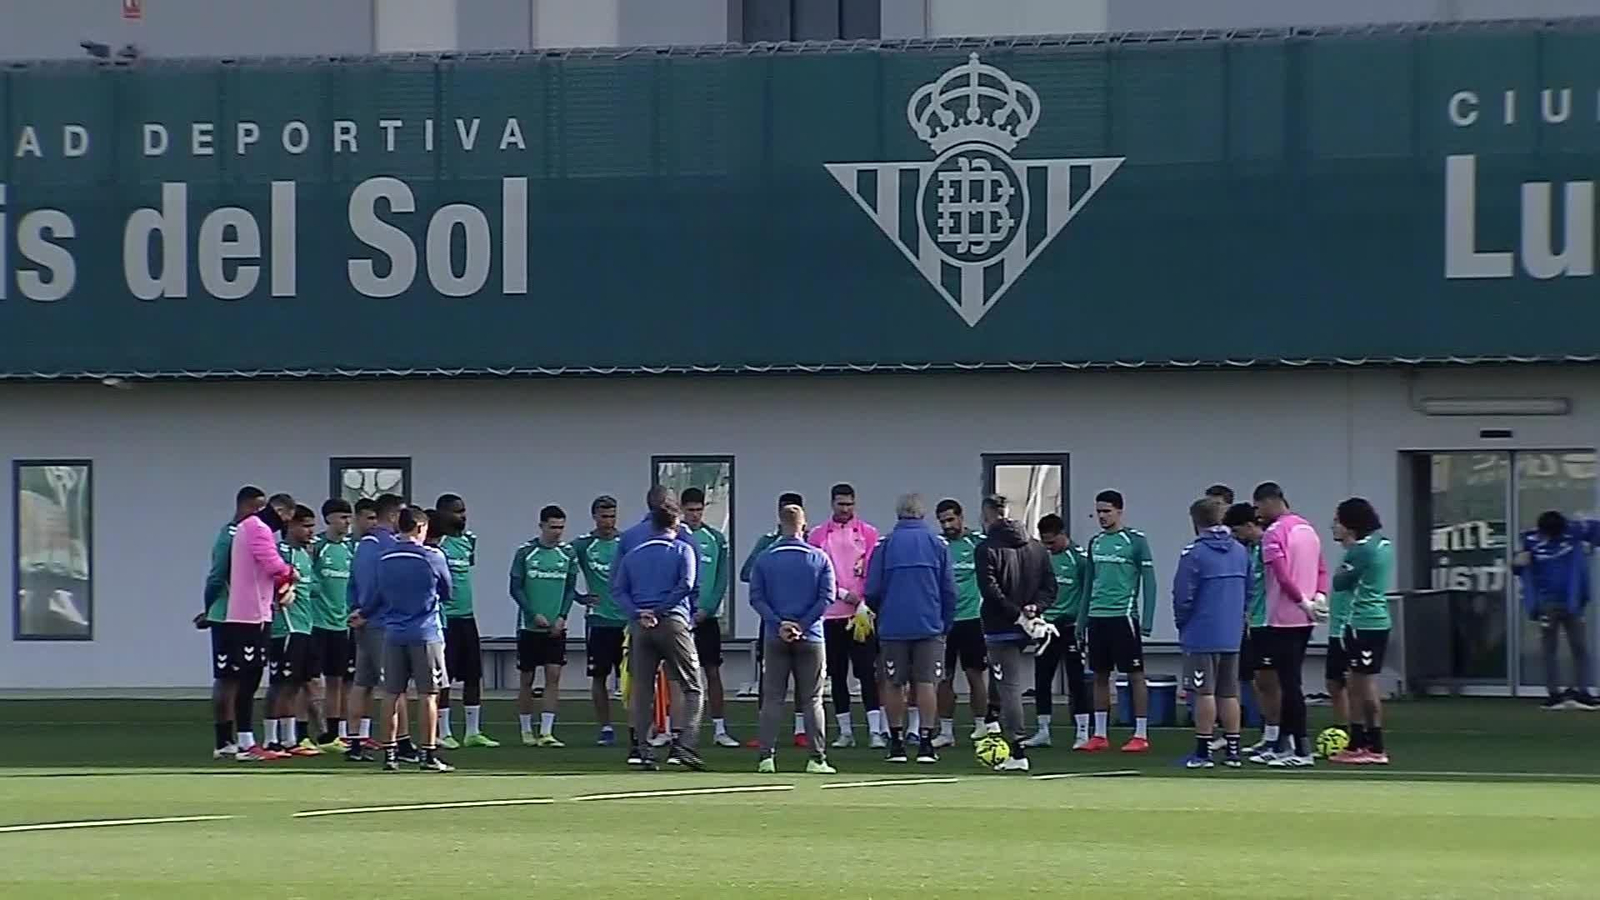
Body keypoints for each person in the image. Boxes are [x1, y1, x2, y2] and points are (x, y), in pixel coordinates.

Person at [357, 505, 454, 773]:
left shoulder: (385, 557)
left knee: (391, 694)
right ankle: (428, 753)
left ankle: (390, 754)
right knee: (428, 694)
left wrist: (363, 614)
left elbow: (376, 595)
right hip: (425, 632)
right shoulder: (432, 556)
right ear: (421, 527)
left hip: (393, 632)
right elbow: (448, 591)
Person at [613, 498, 706, 771]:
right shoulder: (682, 549)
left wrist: (638, 613)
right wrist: (661, 609)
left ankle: (643, 750)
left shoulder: (633, 555)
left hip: (641, 627)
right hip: (672, 622)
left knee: (642, 689)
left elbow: (617, 590)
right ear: (676, 523)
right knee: (692, 686)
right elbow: (687, 584)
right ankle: (685, 745)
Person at [864, 493, 957, 764]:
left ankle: (896, 743)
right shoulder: (937, 544)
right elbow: (949, 590)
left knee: (894, 683)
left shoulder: (886, 545)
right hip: (929, 624)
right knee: (927, 683)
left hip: (893, 625)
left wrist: (881, 614)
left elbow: (872, 590)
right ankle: (926, 742)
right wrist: (945, 622)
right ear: (922, 514)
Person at [749, 503, 838, 774]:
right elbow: (827, 597)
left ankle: (766, 758)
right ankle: (817, 759)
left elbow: (756, 598)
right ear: (804, 526)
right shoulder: (819, 558)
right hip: (811, 637)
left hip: (775, 636)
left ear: (780, 525)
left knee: (773, 698)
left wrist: (780, 623)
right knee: (812, 699)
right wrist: (802, 624)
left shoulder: (765, 558)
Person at [975, 494, 1055, 773]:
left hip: (1001, 627)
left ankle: (1017, 750)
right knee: (1000, 676)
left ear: (987, 515)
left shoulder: (986, 548)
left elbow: (990, 590)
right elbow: (1050, 587)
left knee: (1009, 684)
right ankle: (991, 720)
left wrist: (1018, 615)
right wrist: (1035, 608)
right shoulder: (1036, 547)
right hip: (1026, 626)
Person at [1252, 481, 1328, 768]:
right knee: (1288, 681)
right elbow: (1321, 569)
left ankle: (1301, 749)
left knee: (1289, 684)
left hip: (1284, 618)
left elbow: (1282, 575)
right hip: (1305, 618)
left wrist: (1301, 601)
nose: (1258, 513)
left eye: (1259, 507)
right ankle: (1283, 745)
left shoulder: (1274, 532)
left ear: (1270, 501)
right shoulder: (1307, 528)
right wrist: (1318, 597)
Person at [1078, 490, 1158, 753]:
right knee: (1100, 675)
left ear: (1119, 511)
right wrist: (1081, 622)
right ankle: (1100, 733)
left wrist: (1147, 620)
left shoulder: (1135, 541)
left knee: (1135, 675)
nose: (1102, 516)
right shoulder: (1095, 542)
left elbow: (1150, 582)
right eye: (1098, 512)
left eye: (1107, 511)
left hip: (1123, 617)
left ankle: (1140, 733)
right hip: (1097, 617)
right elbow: (1088, 585)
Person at [1172, 497, 1249, 769]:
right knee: (1229, 692)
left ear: (1196, 521)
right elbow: (1250, 590)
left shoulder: (1194, 553)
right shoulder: (1240, 551)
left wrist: (1182, 623)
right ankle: (1233, 750)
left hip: (1201, 632)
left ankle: (1203, 751)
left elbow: (1183, 596)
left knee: (1203, 692)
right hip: (1231, 633)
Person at [808, 483, 884, 748]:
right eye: (841, 504)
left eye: (849, 504)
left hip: (861, 615)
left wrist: (863, 600)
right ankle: (845, 732)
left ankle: (876, 731)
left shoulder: (869, 533)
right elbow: (816, 573)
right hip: (831, 615)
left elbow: (874, 570)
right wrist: (840, 593)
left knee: (867, 672)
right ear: (832, 504)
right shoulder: (818, 535)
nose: (845, 509)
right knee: (837, 675)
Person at [225, 492, 298, 761]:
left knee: (253, 675)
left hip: (256, 611)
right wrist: (291, 574)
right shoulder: (257, 528)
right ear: (280, 511)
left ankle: (247, 740)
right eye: (287, 517)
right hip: (250, 614)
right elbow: (272, 563)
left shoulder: (251, 527)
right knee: (249, 677)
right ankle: (245, 743)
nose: (285, 524)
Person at [198, 485, 267, 760]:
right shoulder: (230, 535)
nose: (260, 513)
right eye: (257, 507)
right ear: (245, 506)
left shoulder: (254, 534)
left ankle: (238, 739)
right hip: (229, 615)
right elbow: (217, 575)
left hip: (247, 614)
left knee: (244, 676)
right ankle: (226, 740)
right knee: (228, 677)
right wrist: (209, 608)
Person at [1327, 498, 1397, 764]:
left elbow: (1340, 582)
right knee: (1360, 683)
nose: (1334, 526)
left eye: (1338, 520)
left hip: (1362, 622)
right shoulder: (1383, 543)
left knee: (1363, 685)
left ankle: (1373, 746)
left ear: (1350, 524)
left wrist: (1345, 563)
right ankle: (1361, 742)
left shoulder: (1360, 550)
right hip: (1377, 621)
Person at [741, 491, 809, 748]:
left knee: (804, 675)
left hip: (803, 619)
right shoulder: (767, 543)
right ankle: (766, 731)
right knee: (769, 675)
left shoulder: (811, 544)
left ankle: (802, 729)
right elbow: (747, 573)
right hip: (773, 619)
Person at [1513, 510, 1600, 710]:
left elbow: (1596, 531)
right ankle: (1554, 695)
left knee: (1579, 648)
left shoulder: (1575, 530)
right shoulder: (1530, 540)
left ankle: (1583, 693)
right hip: (1547, 604)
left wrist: (1589, 541)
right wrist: (1517, 563)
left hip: (1573, 602)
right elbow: (1517, 567)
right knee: (1549, 649)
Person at [345, 493, 408, 763]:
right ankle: (400, 742)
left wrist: (355, 610)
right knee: (394, 685)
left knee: (362, 682)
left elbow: (352, 582)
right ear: (393, 515)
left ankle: (355, 742)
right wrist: (368, 612)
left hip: (363, 621)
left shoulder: (363, 545)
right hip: (382, 622)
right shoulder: (389, 545)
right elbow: (384, 585)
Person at [510, 505, 579, 747]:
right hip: (529, 627)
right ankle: (526, 730)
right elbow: (515, 588)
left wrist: (562, 616)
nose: (557, 532)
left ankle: (547, 732)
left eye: (561, 527)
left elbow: (570, 589)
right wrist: (532, 614)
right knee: (527, 679)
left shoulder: (568, 553)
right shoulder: (525, 552)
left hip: (555, 627)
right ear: (541, 526)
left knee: (553, 676)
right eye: (553, 527)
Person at [434, 494, 499, 750]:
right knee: (445, 678)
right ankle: (444, 731)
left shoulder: (469, 540)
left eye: (463, 511)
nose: (462, 516)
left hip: (467, 616)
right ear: (442, 514)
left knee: (473, 675)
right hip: (445, 619)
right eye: (456, 511)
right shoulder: (437, 542)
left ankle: (473, 731)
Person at [1025, 514, 1091, 750]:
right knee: (1042, 678)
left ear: (1063, 535)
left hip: (1070, 626)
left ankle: (1082, 731)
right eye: (1045, 542)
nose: (1049, 547)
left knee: (1076, 680)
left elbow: (1087, 593)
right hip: (1046, 626)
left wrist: (1081, 624)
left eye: (1052, 542)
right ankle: (1043, 730)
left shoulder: (1080, 559)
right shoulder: (1041, 558)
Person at [681, 487, 740, 748]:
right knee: (676, 676)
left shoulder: (715, 538)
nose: (695, 515)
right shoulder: (675, 535)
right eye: (690, 510)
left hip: (707, 619)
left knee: (712, 672)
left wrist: (707, 609)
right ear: (682, 510)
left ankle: (720, 729)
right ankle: (674, 730)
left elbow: (721, 580)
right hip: (680, 618)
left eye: (699, 509)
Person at [1224, 503, 1280, 756]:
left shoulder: (1270, 545)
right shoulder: (1250, 550)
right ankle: (1269, 734)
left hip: (1271, 622)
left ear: (1249, 526)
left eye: (1237, 531)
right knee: (1260, 681)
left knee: (1272, 681)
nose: (1236, 537)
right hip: (1254, 622)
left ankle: (1280, 736)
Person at [932, 499, 988, 748]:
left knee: (975, 674)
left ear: (961, 517)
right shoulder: (937, 545)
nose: (947, 525)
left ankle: (981, 726)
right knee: (944, 677)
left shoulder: (978, 543)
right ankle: (946, 732)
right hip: (944, 621)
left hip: (972, 619)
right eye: (943, 521)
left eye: (951, 520)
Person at [266, 505, 322, 757]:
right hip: (285, 627)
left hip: (304, 625)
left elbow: (313, 588)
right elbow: (270, 582)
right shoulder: (280, 552)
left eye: (312, 526)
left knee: (295, 684)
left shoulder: (304, 555)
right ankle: (271, 739)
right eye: (306, 526)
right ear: (290, 526)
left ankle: (289, 740)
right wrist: (282, 593)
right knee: (280, 683)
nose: (311, 531)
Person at [574, 495, 626, 746]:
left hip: (626, 621)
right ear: (594, 516)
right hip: (599, 620)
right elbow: (562, 570)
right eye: (604, 516)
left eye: (612, 516)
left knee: (634, 678)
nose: (608, 521)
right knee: (599, 676)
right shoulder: (583, 545)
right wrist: (579, 597)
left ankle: (639, 727)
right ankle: (605, 727)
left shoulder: (625, 542)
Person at [309, 498, 355, 750]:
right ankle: (305, 731)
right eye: (342, 517)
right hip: (317, 623)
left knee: (337, 679)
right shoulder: (317, 546)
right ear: (328, 519)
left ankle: (334, 734)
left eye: (349, 518)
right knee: (311, 680)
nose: (347, 522)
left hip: (341, 625)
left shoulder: (350, 548)